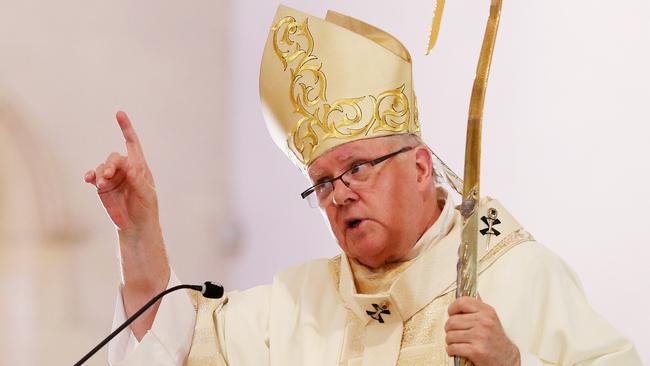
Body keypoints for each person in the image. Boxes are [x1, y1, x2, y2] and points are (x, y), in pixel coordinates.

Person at [85, 5, 642, 366]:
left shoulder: (513, 272)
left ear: (421, 167)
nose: (340, 194)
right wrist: (138, 230)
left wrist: (515, 364)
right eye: (322, 183)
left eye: (356, 169)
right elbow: (178, 347)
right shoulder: (299, 304)